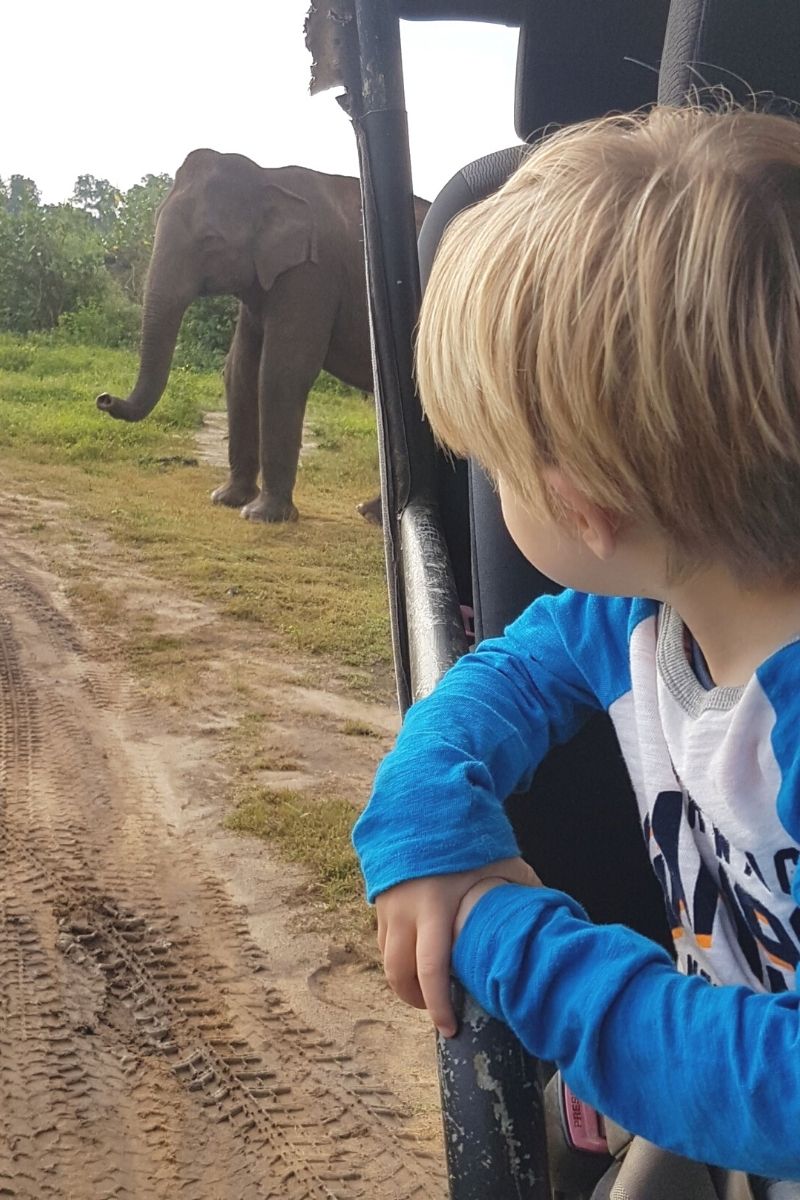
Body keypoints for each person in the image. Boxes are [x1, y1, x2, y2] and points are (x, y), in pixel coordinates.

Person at [352, 105, 800, 1181]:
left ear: (579, 504)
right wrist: (429, 826)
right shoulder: (639, 620)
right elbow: (490, 685)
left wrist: (501, 936)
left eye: (496, 464)